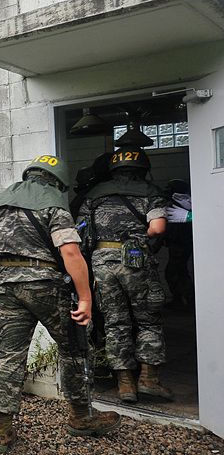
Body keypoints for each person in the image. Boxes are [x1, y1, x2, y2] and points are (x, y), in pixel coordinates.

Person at [0, 156, 120, 453]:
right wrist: (85, 297)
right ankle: (81, 417)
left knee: (10, 356)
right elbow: (70, 252)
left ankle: (0, 430)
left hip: (6, 286)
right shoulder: (53, 202)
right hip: (46, 286)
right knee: (75, 347)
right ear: (56, 181)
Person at [76, 147, 171, 402]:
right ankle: (149, 379)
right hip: (135, 261)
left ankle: (125, 384)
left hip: (101, 262)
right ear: (143, 168)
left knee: (115, 323)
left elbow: (81, 232)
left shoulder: (94, 193)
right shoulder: (151, 191)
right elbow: (157, 227)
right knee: (148, 319)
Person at [162, 179, 193, 311]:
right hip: (176, 243)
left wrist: (191, 215)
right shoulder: (176, 205)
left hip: (181, 244)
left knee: (177, 272)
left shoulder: (183, 205)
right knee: (175, 272)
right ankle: (181, 300)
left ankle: (188, 301)